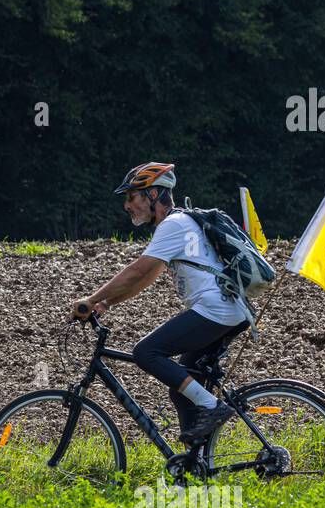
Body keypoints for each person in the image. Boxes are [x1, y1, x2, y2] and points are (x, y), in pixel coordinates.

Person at [69, 162, 246, 450]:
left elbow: (138, 270)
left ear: (153, 194)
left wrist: (89, 299)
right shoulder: (180, 222)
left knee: (147, 352)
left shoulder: (173, 225)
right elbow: (149, 276)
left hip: (216, 311)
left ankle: (213, 406)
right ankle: (194, 467)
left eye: (132, 197)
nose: (127, 205)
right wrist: (105, 303)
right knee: (182, 393)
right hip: (226, 311)